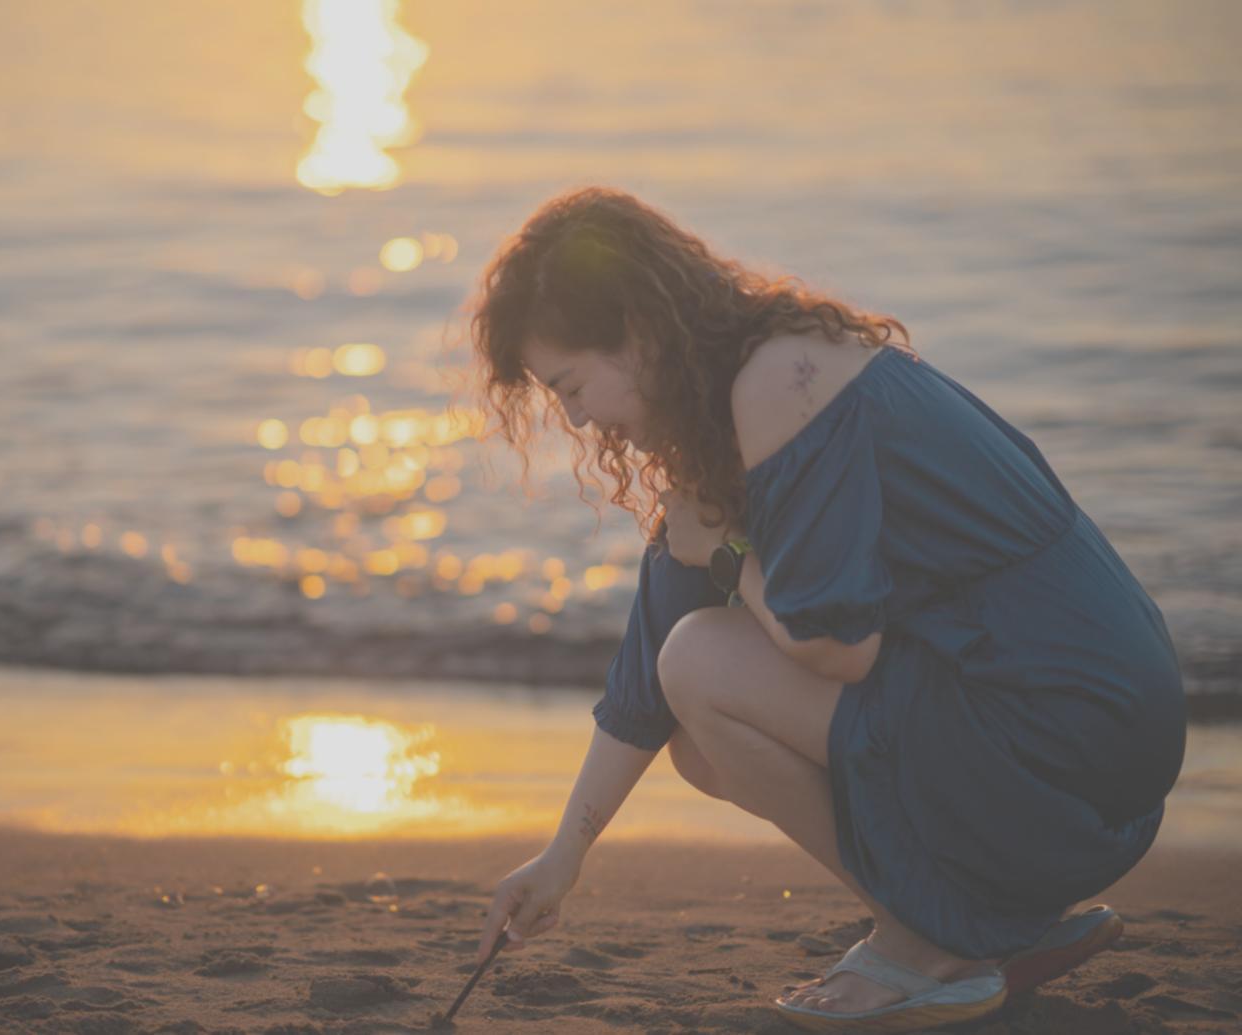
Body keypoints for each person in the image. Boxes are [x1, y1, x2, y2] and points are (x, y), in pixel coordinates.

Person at [466, 187, 1186, 1032]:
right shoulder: (721, 408)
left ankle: (930, 940)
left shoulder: (780, 383)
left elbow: (839, 644)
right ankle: (966, 923)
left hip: (1071, 734)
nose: (577, 419)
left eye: (572, 386)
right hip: (1063, 737)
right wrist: (564, 858)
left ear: (639, 330)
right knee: (698, 738)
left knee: (703, 661)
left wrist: (731, 554)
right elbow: (645, 672)